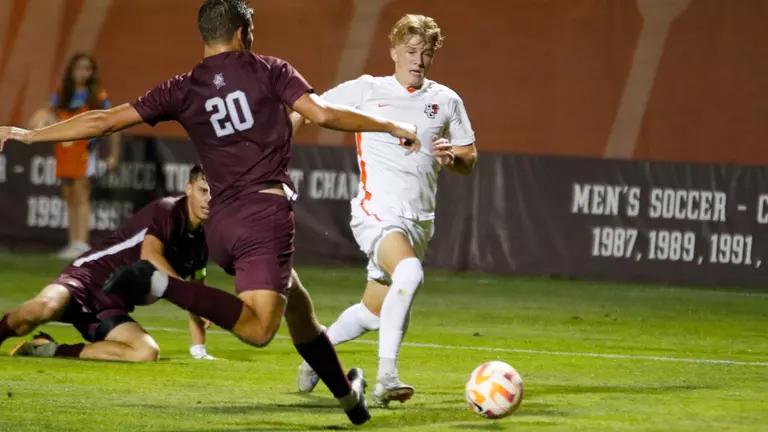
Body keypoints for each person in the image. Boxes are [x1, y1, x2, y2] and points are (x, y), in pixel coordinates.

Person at [0, 0, 423, 425]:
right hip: (263, 214)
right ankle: (160, 281)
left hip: (220, 227)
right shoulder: (270, 68)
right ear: (243, 32)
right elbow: (324, 114)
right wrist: (390, 126)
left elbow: (105, 121)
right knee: (259, 330)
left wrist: (30, 135)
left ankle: (350, 400)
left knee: (298, 308)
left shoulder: (182, 87)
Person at [290, 14, 477, 407]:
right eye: (411, 51)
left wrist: (452, 158)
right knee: (409, 272)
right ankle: (387, 377)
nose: (418, 60)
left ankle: (315, 356)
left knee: (373, 312)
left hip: (419, 221)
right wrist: (278, 140)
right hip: (376, 212)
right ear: (393, 52)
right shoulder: (366, 89)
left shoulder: (446, 100)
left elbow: (468, 157)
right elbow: (309, 109)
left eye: (426, 53)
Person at [0, 165, 211, 362]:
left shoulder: (200, 244)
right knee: (43, 309)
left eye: (214, 193)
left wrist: (199, 349)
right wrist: (189, 297)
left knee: (146, 352)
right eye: (203, 191)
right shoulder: (168, 210)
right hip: (86, 279)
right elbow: (150, 256)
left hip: (110, 304)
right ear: (189, 189)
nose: (209, 199)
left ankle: (46, 349)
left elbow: (197, 295)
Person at [29, 53, 121, 260]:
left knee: (81, 193)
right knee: (68, 194)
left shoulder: (98, 96)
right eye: (79, 68)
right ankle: (72, 241)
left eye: (87, 69)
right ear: (71, 71)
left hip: (86, 151)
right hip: (64, 151)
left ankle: (81, 241)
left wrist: (113, 154)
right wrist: (38, 123)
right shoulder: (62, 94)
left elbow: (114, 124)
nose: (83, 73)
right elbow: (46, 113)